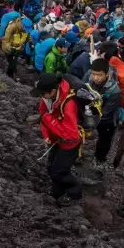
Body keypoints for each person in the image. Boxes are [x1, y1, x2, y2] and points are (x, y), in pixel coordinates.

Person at [33, 74, 83, 206]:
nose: (41, 97)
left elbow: (71, 135)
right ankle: (58, 191)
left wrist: (48, 119)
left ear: (53, 91)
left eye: (43, 94)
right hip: (56, 139)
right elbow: (43, 113)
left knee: (59, 171)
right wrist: (46, 135)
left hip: (69, 144)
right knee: (51, 167)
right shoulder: (47, 98)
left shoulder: (68, 105)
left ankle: (75, 192)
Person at [83, 58, 122, 167]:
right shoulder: (89, 77)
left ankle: (100, 159)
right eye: (94, 74)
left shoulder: (115, 91)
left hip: (108, 120)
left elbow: (105, 113)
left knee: (104, 141)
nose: (96, 78)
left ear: (107, 73)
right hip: (93, 112)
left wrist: (88, 118)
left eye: (99, 75)